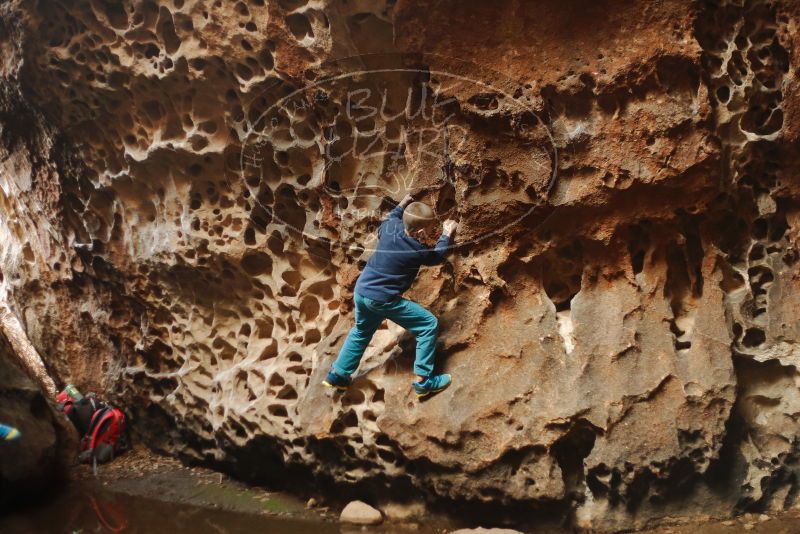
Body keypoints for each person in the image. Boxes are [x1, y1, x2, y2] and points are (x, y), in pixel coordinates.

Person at [324, 193, 458, 397]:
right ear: (422, 231)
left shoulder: (389, 227)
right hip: (382, 299)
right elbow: (436, 256)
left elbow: (392, 215)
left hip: (362, 291)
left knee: (361, 331)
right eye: (431, 230)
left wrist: (403, 202)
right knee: (428, 324)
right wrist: (446, 234)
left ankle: (338, 374)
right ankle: (424, 380)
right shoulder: (416, 249)